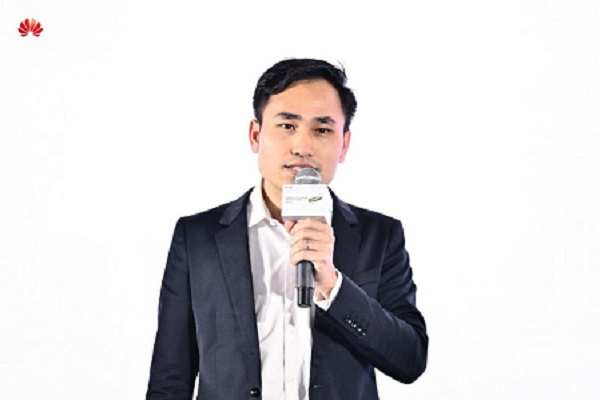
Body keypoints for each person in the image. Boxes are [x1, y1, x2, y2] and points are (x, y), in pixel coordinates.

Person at [146, 58, 428, 400]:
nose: (303, 147)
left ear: (344, 144)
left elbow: (410, 359)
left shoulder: (379, 236)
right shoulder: (198, 237)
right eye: (287, 125)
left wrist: (333, 286)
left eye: (322, 130)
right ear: (256, 135)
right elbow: (170, 378)